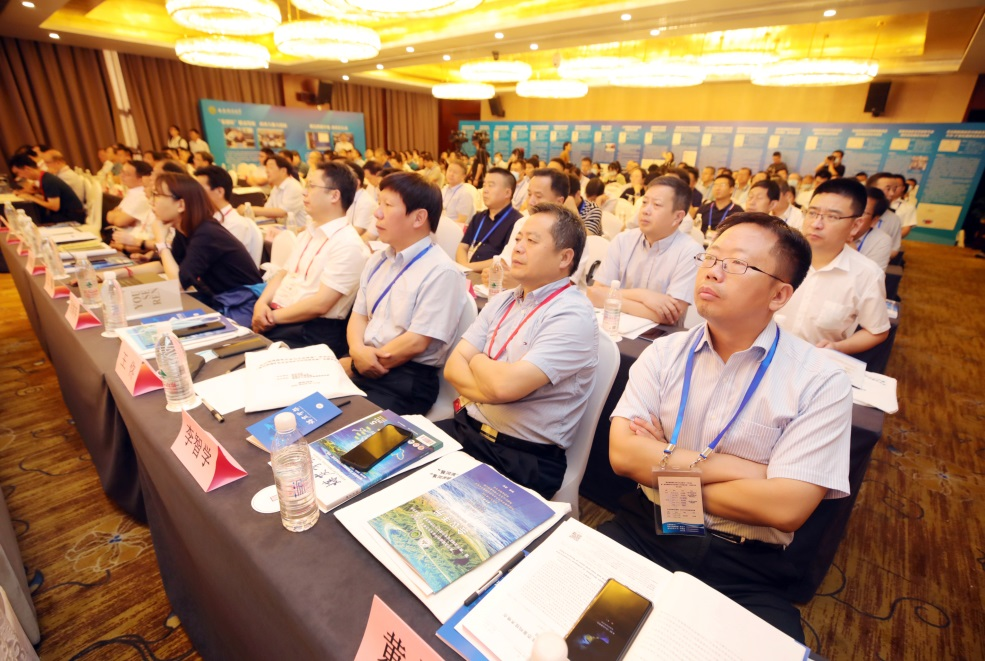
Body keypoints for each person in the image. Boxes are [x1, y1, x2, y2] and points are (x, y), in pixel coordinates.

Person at [600, 212, 851, 644]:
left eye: (737, 264)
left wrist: (662, 469)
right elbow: (623, 456)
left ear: (779, 294)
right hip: (647, 530)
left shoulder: (820, 381)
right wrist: (743, 471)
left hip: (745, 567)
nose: (713, 271)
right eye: (710, 257)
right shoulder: (663, 353)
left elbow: (785, 508)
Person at [437, 202, 598, 499]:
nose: (518, 247)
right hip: (466, 430)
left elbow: (504, 386)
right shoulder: (503, 299)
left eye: (532, 241)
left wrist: (478, 361)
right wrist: (495, 386)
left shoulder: (572, 315)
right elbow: (453, 367)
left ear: (565, 257)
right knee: (390, 479)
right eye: (519, 238)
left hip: (520, 457)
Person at [342, 172, 468, 415]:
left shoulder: (442, 271)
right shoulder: (378, 259)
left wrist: (357, 364)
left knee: (342, 424)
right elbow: (359, 315)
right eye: (379, 203)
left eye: (388, 205)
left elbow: (415, 342)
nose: (377, 213)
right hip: (364, 360)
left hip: (405, 380)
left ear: (419, 217)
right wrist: (356, 351)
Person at [252, 162, 370, 354]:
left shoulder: (349, 244)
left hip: (311, 332)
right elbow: (283, 274)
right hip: (280, 318)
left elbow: (321, 304)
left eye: (311, 186)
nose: (304, 192)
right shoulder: (309, 232)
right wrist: (261, 304)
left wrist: (270, 318)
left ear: (334, 195)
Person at [775, 178, 890, 355]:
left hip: (814, 361)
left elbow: (877, 331)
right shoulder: (778, 255)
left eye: (832, 217)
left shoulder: (867, 274)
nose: (816, 224)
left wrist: (837, 347)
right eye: (812, 213)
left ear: (855, 225)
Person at [588, 175, 702, 325]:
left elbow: (670, 315)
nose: (645, 210)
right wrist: (643, 295)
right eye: (645, 202)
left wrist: (612, 298)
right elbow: (594, 294)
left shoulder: (691, 252)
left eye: (656, 205)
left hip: (661, 335)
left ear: (677, 217)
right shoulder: (623, 240)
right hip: (614, 326)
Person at [145, 172, 262, 307]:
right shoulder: (186, 230)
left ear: (181, 205)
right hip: (220, 300)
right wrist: (126, 272)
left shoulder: (207, 233)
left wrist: (161, 242)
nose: (151, 202)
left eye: (157, 195)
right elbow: (166, 264)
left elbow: (178, 283)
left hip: (242, 304)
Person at [195, 165, 263, 266]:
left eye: (200, 190)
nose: (194, 194)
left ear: (219, 191)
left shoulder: (235, 224)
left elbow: (213, 262)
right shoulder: (208, 218)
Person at [457, 167, 523, 272]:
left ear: (507, 193)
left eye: (491, 185)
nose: (485, 190)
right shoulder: (479, 217)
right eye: (484, 185)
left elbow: (505, 259)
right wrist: (463, 267)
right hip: (467, 272)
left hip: (491, 276)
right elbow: (463, 246)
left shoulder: (518, 223)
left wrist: (467, 268)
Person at [8, 154, 86, 223]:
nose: (20, 176)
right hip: (66, 214)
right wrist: (35, 193)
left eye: (18, 173)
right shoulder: (44, 177)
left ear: (27, 168)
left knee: (35, 219)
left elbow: (54, 207)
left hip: (72, 217)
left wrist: (31, 198)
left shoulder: (48, 180)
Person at [241, 156, 306, 226]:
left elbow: (282, 212)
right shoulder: (276, 187)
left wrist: (249, 209)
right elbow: (267, 210)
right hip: (282, 227)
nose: (266, 171)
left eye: (271, 168)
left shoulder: (293, 186)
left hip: (297, 230)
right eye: (266, 168)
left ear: (283, 171)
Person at [851, 187, 893, 270]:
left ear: (874, 220)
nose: (853, 216)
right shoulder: (828, 228)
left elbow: (872, 276)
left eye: (862, 212)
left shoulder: (881, 241)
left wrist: (850, 252)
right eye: (851, 209)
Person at [864, 173, 904, 258]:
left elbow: (894, 249)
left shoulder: (894, 219)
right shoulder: (854, 211)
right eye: (888, 189)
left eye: (894, 189)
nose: (892, 194)